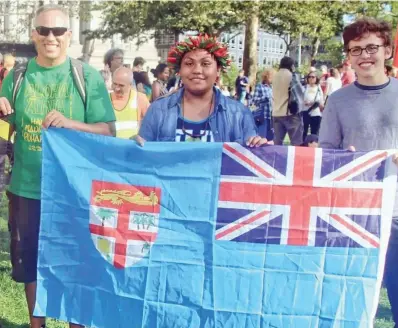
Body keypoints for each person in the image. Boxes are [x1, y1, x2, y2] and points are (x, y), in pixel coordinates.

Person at [0, 5, 116, 328]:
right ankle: (37, 326)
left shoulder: (85, 77)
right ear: (33, 34)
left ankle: (74, 324)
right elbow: (3, 128)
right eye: (44, 30)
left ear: (69, 36)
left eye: (59, 31)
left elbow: (109, 130)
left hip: (73, 192)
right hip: (26, 187)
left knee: (75, 264)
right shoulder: (18, 77)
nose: (51, 37)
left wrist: (70, 123)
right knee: (30, 265)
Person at [319, 18, 398, 327]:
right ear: (348, 56)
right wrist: (339, 159)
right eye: (355, 49)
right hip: (351, 214)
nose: (364, 55)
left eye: (372, 47)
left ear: (387, 50)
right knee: (347, 302)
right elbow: (325, 153)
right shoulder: (338, 100)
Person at [136, 34, 269, 147]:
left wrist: (259, 147)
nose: (197, 70)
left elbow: (249, 166)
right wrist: (133, 148)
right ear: (179, 71)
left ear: (218, 71)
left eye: (205, 64)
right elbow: (142, 162)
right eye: (189, 64)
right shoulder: (158, 110)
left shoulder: (239, 114)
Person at [272, 56, 304, 146]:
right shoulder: (292, 76)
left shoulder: (275, 76)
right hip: (290, 113)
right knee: (296, 144)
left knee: (277, 143)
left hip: (276, 113)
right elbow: (300, 93)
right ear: (291, 65)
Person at [110, 67, 149, 139]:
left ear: (130, 85)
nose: (117, 88)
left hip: (132, 148)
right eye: (115, 84)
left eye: (121, 85)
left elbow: (150, 125)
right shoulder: (105, 98)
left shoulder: (140, 98)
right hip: (111, 147)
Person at [250, 68, 274, 140]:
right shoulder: (260, 86)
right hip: (263, 117)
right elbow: (254, 101)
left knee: (270, 139)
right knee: (261, 138)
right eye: (272, 77)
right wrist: (266, 98)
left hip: (271, 117)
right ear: (266, 77)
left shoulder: (272, 88)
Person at [301, 72, 324, 141]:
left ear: (316, 78)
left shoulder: (318, 89)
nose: (311, 78)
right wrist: (304, 102)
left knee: (315, 133)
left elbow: (321, 101)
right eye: (309, 77)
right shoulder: (304, 88)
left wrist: (313, 103)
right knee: (303, 132)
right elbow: (299, 99)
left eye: (313, 77)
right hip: (305, 112)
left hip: (316, 113)